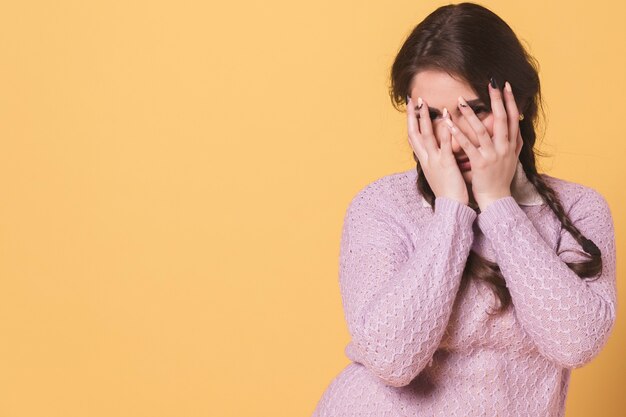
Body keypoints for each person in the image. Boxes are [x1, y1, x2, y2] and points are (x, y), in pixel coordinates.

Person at [310, 2, 617, 416]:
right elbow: (391, 360)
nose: (454, 137)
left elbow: (576, 342)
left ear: (519, 103)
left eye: (475, 111)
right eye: (432, 115)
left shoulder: (579, 209)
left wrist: (499, 206)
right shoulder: (382, 208)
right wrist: (453, 211)